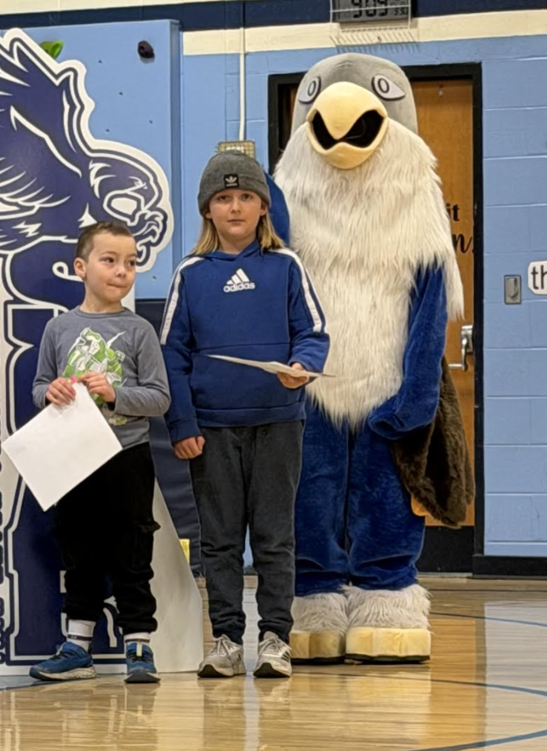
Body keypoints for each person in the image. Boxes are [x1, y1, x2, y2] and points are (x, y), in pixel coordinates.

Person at [161, 151, 330, 679]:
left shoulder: (287, 266)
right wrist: (183, 425)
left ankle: (276, 638)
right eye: (223, 198)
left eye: (246, 197)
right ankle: (228, 640)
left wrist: (303, 365)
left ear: (263, 207)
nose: (235, 207)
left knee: (276, 538)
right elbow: (171, 355)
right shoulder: (190, 275)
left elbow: (314, 332)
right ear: (208, 210)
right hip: (211, 431)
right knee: (221, 541)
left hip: (279, 423)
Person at [29, 221, 171, 684]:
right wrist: (48, 392)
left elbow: (159, 397)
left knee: (133, 550)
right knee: (79, 549)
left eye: (131, 263)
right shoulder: (59, 328)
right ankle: (77, 646)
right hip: (72, 457)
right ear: (81, 267)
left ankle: (139, 646)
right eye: (109, 260)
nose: (122, 271)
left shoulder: (140, 331)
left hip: (127, 457)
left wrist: (115, 393)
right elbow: (37, 387)